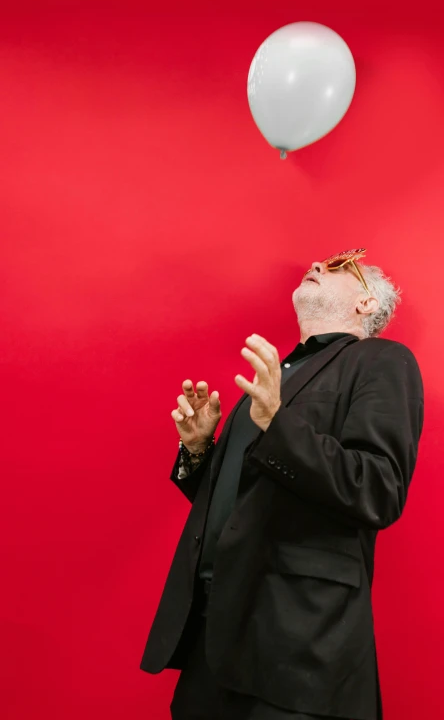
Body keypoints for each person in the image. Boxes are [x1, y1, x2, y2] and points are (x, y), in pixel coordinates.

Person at [140, 248, 424, 720]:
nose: (317, 264)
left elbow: (378, 489)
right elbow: (248, 500)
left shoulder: (381, 361)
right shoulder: (278, 377)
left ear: (366, 303)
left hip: (298, 646)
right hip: (213, 640)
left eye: (339, 266)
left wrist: (276, 421)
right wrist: (198, 453)